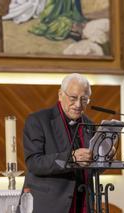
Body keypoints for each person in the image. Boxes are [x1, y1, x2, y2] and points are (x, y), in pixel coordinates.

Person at [20, 73, 93, 213]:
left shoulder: (89, 124)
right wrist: (71, 158)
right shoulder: (38, 120)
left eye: (84, 99)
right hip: (49, 205)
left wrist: (104, 156)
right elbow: (34, 163)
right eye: (73, 98)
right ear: (60, 95)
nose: (78, 104)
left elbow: (91, 168)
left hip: (82, 203)